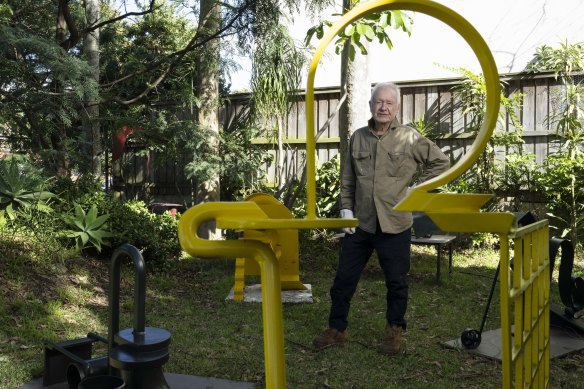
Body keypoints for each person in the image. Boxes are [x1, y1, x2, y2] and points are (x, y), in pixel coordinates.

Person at [313, 82, 450, 355]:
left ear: (397, 107)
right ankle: (337, 329)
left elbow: (442, 163)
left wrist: (417, 188)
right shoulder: (358, 137)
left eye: (389, 103)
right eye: (379, 102)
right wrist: (345, 209)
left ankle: (394, 332)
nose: (383, 107)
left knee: (397, 283)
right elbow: (348, 178)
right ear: (371, 105)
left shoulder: (410, 138)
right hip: (360, 224)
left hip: (395, 223)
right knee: (343, 280)